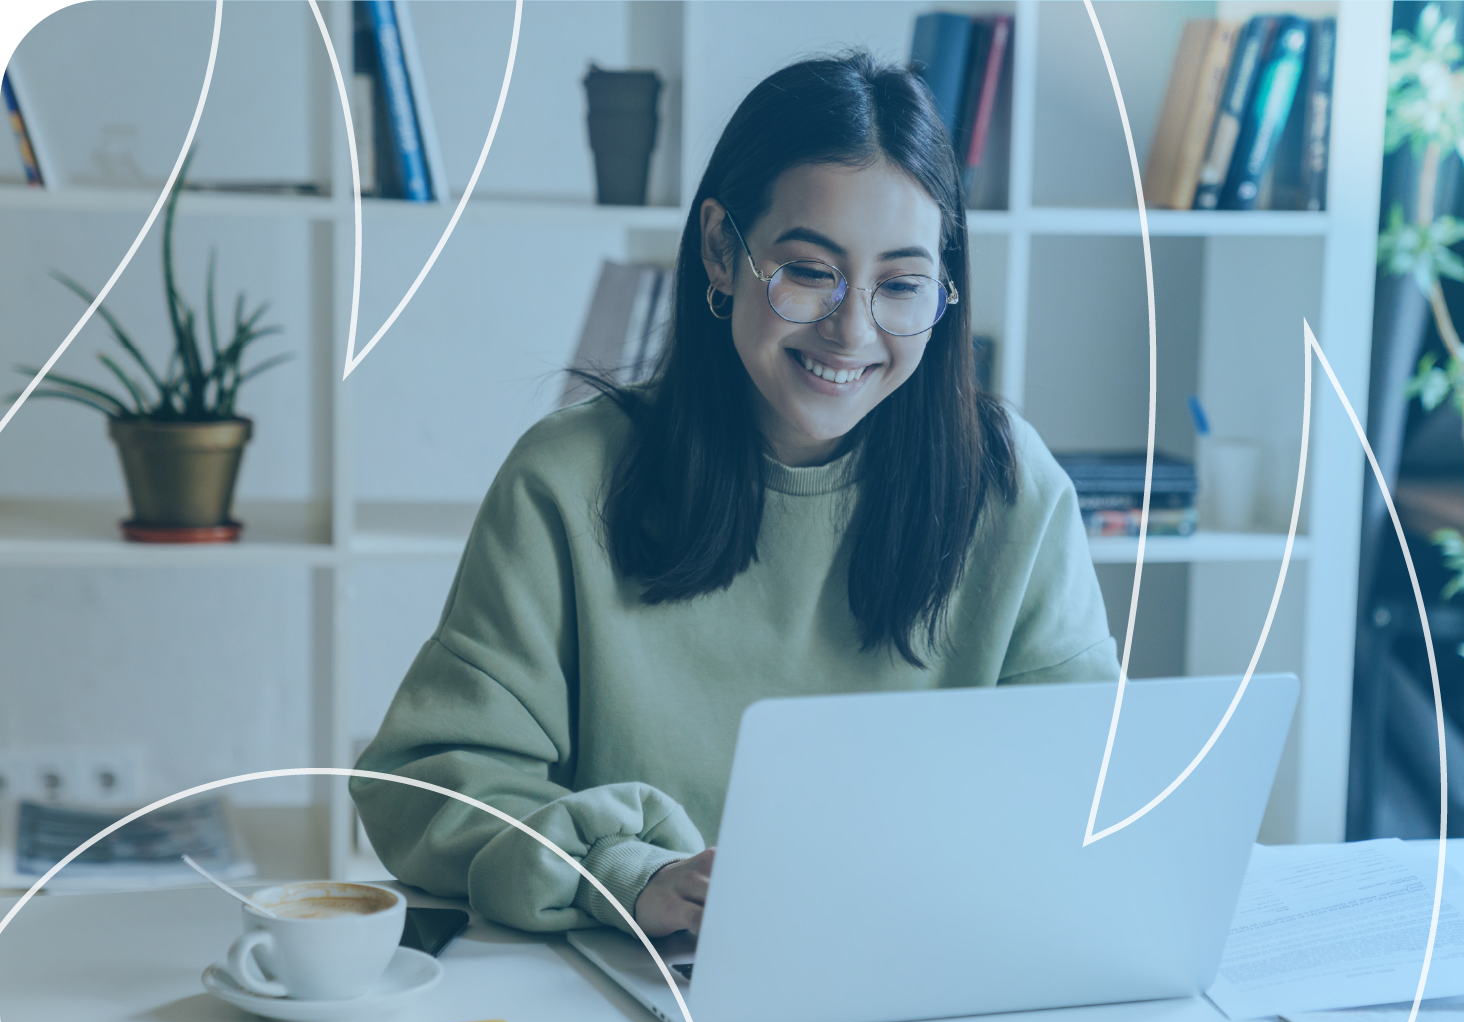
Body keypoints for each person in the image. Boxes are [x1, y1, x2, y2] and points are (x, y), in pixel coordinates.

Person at [351, 53, 1118, 940]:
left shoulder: (1009, 487)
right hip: (649, 974)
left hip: (928, 967)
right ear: (721, 248)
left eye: (901, 284)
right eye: (808, 269)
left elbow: (1085, 786)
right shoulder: (568, 482)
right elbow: (431, 784)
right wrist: (626, 873)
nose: (852, 328)